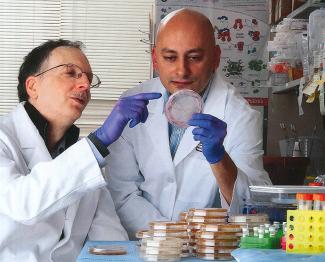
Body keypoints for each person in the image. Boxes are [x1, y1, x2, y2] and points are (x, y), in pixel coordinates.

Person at [106, 8, 272, 239]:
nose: (182, 70)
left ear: (215, 58)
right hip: (146, 245)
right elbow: (121, 192)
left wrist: (219, 158)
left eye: (194, 58)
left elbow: (254, 204)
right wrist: (170, 238)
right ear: (155, 58)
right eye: (170, 57)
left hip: (207, 248)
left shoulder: (240, 114)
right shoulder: (131, 105)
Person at [0, 39, 161, 261]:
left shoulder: (84, 160)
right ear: (33, 86)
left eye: (88, 77)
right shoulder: (4, 139)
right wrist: (99, 141)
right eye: (71, 73)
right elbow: (21, 203)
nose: (85, 84)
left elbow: (110, 241)